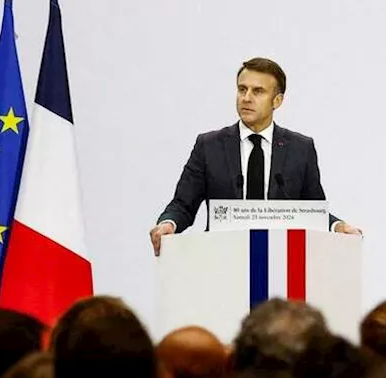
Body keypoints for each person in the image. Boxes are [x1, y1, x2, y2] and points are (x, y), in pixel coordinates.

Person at [149, 57, 361, 256]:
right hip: (221, 258)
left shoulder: (300, 148)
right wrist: (168, 223)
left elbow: (312, 212)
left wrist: (338, 227)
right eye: (242, 89)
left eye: (258, 91)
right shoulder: (209, 146)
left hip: (280, 260)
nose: (246, 98)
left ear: (277, 100)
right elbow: (183, 204)